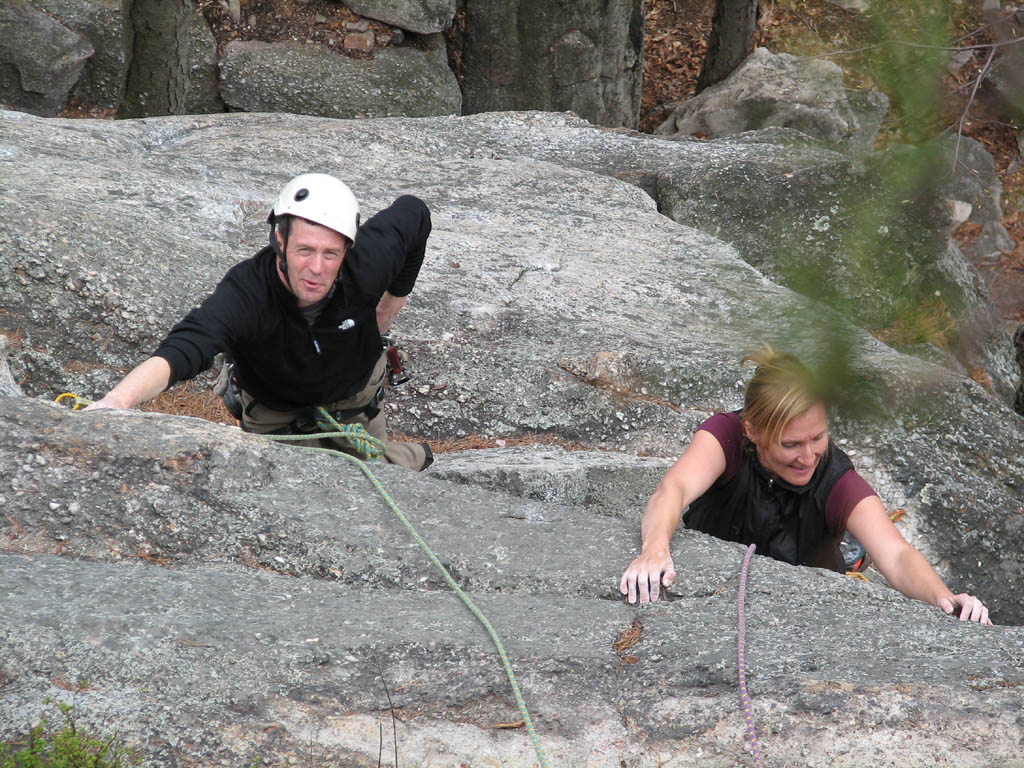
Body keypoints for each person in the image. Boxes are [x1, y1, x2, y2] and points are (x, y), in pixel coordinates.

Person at [85, 173, 433, 470]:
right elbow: (185, 348)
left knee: (371, 482)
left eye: (331, 253)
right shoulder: (248, 293)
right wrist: (118, 401)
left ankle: (408, 458)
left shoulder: (365, 265)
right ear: (280, 240)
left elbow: (415, 214)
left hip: (355, 400)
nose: (317, 268)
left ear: (347, 248)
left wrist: (383, 314)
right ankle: (411, 458)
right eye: (304, 250)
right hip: (275, 412)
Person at [619, 348, 992, 625]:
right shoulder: (727, 437)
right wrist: (655, 549)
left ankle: (848, 547)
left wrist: (944, 598)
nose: (808, 457)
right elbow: (674, 489)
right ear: (753, 431)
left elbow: (895, 554)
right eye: (791, 444)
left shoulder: (835, 478)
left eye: (818, 437)